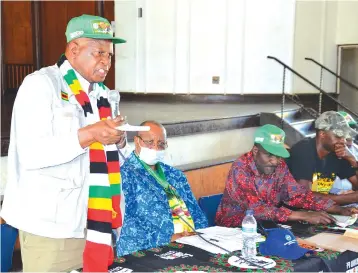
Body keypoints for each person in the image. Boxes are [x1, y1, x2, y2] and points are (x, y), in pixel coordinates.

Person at [1, 14, 128, 272]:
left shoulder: (104, 95)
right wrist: (90, 134)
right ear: (73, 49)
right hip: (52, 228)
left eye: (110, 55)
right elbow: (33, 153)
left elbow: (114, 158)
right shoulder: (41, 85)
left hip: (97, 223)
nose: (106, 61)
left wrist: (120, 140)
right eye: (99, 53)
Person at [216, 124, 357, 228]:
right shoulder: (241, 168)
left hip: (268, 224)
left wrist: (334, 208)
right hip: (235, 228)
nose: (274, 161)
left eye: (278, 156)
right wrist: (302, 215)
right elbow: (256, 209)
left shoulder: (279, 165)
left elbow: (297, 194)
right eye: (269, 155)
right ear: (255, 150)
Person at [116, 121, 208, 256]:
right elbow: (127, 226)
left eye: (161, 144)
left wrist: (198, 233)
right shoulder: (125, 175)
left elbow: (196, 213)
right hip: (144, 252)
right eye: (149, 142)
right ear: (137, 141)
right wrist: (168, 239)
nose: (155, 148)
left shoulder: (175, 176)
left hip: (188, 243)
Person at [287, 111, 358, 205]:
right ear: (322, 134)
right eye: (338, 136)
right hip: (292, 211)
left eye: (344, 137)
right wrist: (346, 198)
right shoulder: (304, 150)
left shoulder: (337, 153)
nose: (343, 141)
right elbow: (303, 196)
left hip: (320, 209)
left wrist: (352, 160)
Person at [331, 112, 358, 194]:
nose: (351, 132)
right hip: (331, 198)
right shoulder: (325, 153)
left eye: (354, 128)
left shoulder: (356, 149)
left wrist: (352, 159)